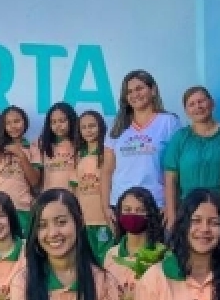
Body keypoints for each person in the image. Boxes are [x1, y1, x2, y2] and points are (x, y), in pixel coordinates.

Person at [103, 186, 166, 300]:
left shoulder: (162, 255)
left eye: (140, 210)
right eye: (127, 210)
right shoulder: (111, 254)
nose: (133, 215)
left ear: (150, 214)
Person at [109, 70, 181, 211]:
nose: (134, 95)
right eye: (129, 91)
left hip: (157, 204)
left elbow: (176, 168)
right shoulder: (116, 126)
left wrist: (171, 206)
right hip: (121, 205)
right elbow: (107, 170)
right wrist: (106, 208)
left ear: (153, 90)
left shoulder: (169, 122)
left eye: (139, 88)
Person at [163, 86, 220, 228]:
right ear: (186, 111)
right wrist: (172, 215)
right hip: (189, 210)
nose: (197, 106)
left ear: (212, 103)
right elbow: (170, 178)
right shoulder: (180, 138)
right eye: (191, 104)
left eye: (201, 101)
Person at [0, 106, 42, 236]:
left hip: (23, 207)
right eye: (8, 123)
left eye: (17, 121)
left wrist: (21, 155)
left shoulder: (33, 149)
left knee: (22, 247)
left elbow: (35, 181)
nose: (13, 126)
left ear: (24, 122)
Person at [73, 110, 117, 262]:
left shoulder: (108, 153)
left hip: (104, 219)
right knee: (88, 263)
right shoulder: (78, 155)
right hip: (85, 220)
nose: (88, 130)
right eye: (83, 127)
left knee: (107, 260)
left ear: (101, 127)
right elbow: (75, 188)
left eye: (92, 126)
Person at [40, 102, 79, 191]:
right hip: (49, 199)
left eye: (62, 121)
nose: (58, 125)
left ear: (71, 120)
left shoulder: (79, 145)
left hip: (72, 199)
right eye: (53, 122)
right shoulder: (44, 145)